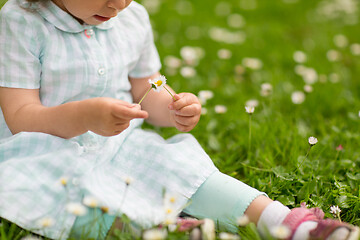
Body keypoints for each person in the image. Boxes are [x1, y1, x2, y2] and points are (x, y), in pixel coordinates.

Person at [0, 0, 358, 239]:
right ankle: (163, 230)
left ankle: (283, 221)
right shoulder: (22, 22)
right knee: (61, 197)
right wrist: (83, 116)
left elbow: (148, 85)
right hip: (43, 151)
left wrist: (171, 107)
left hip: (120, 143)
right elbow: (20, 117)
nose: (117, 3)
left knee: (183, 169)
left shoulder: (131, 18)